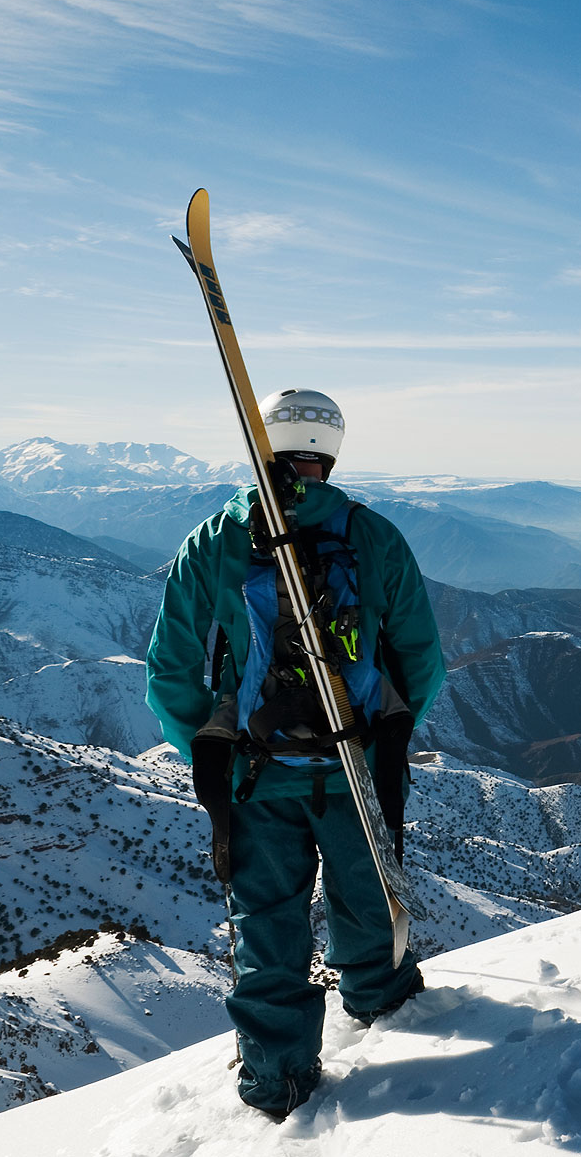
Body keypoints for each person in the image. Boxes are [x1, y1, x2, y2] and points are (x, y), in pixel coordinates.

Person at [146, 388, 446, 1119]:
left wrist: (215, 751)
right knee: (369, 901)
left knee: (268, 926)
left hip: (256, 776)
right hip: (354, 769)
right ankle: (387, 1014)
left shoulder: (215, 540)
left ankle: (277, 1080)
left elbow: (171, 672)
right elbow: (421, 660)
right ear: (330, 452)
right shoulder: (371, 537)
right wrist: (380, 744)